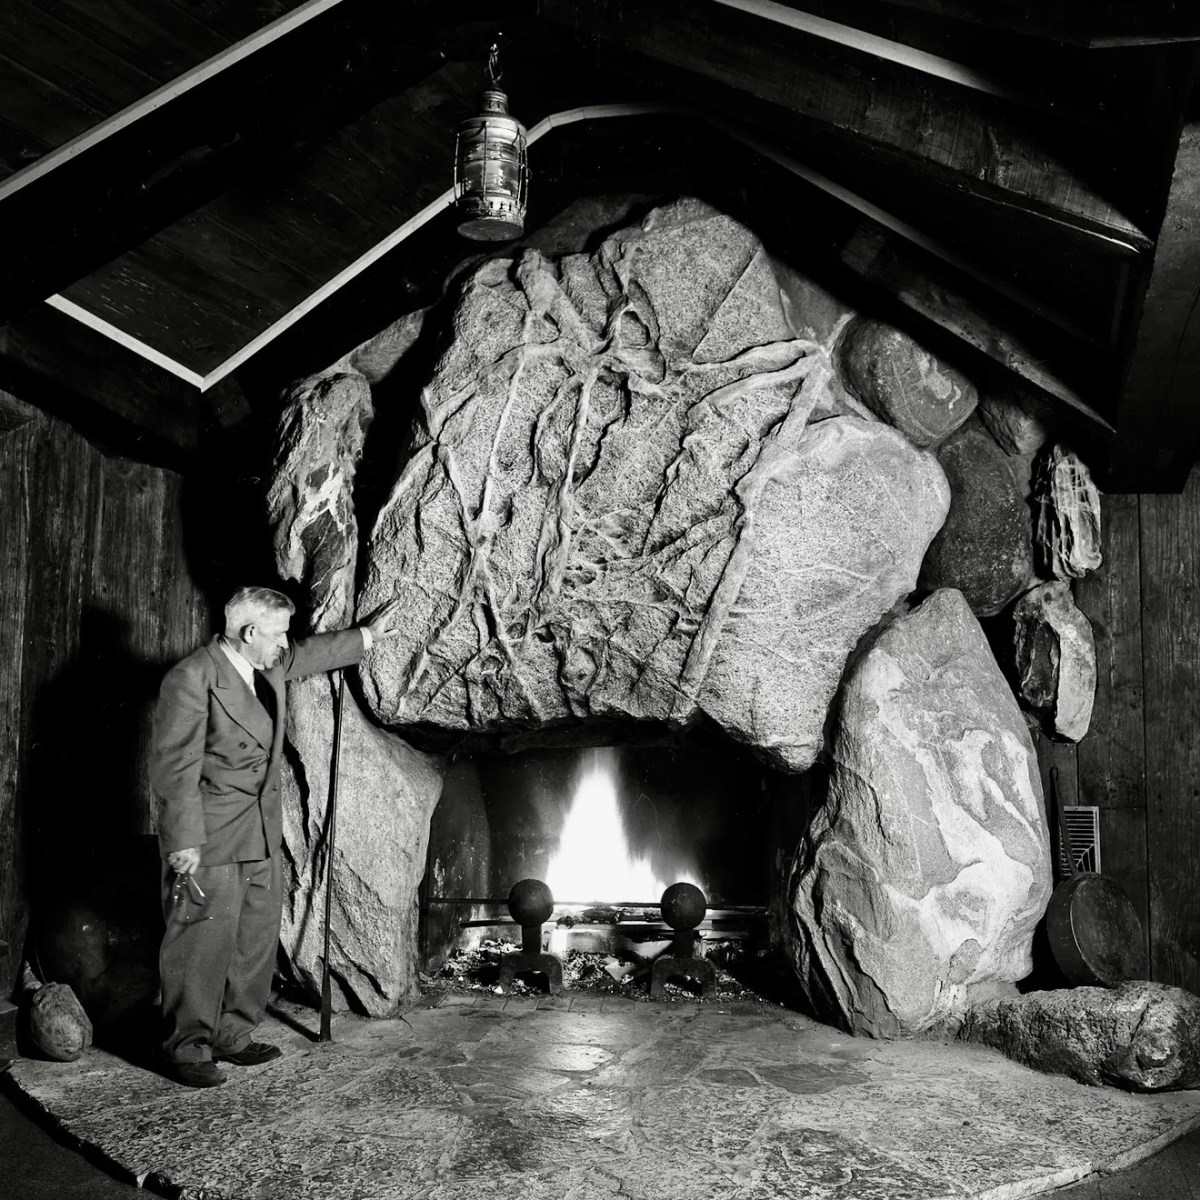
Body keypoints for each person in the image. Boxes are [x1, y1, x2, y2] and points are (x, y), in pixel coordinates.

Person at [150, 585, 402, 1087]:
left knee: (254, 939)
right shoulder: (191, 678)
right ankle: (188, 1047)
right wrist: (182, 842)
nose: (285, 643)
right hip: (211, 836)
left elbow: (308, 654)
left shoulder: (267, 665)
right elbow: (173, 769)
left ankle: (232, 1035)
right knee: (202, 942)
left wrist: (366, 637)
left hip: (262, 829)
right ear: (248, 633)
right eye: (278, 634)